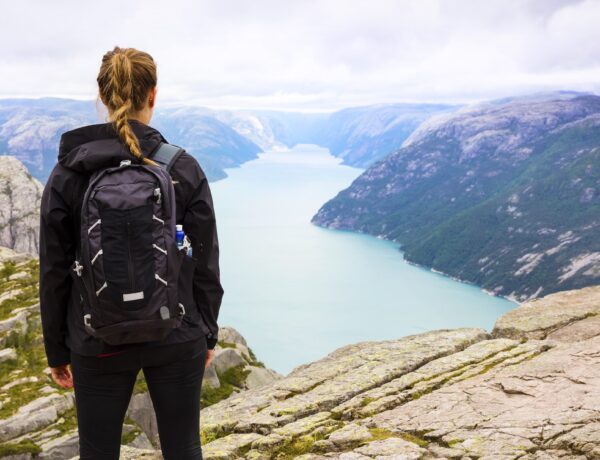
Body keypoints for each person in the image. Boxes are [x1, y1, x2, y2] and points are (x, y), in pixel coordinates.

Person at [38, 46, 224, 460]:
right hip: (176, 333)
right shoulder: (181, 167)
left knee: (98, 453)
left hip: (94, 337)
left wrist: (57, 348)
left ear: (102, 97)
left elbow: (52, 269)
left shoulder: (69, 173)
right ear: (153, 95)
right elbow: (206, 258)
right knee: (183, 449)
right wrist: (207, 329)